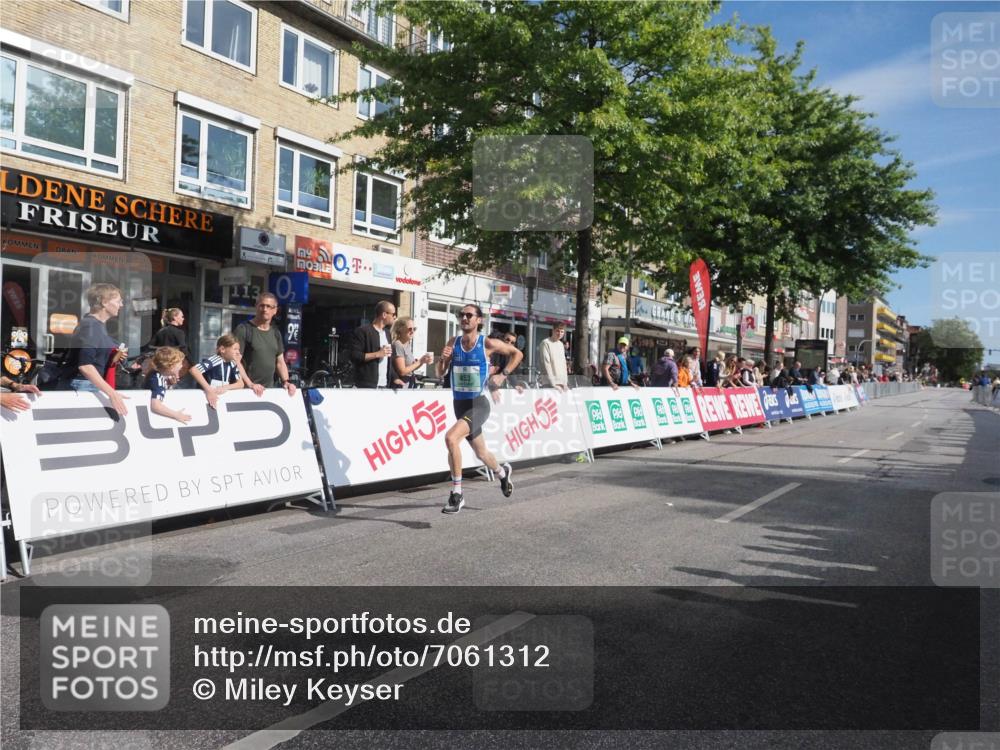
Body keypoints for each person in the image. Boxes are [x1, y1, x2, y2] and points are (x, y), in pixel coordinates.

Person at [435, 304, 521, 514]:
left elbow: (517, 354)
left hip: (478, 405)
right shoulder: (452, 342)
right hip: (460, 405)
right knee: (482, 453)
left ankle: (457, 494)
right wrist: (442, 360)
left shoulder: (487, 343)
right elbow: (439, 373)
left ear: (479, 320)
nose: (464, 318)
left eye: (469, 315)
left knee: (451, 438)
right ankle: (502, 473)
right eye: (461, 315)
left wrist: (503, 375)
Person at [58, 283, 129, 416]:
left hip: (86, 385)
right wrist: (112, 394)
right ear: (104, 302)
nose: (121, 305)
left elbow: (94, 360)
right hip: (82, 386)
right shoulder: (91, 326)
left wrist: (115, 356)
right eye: (119, 301)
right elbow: (85, 366)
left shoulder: (95, 325)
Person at [234, 293, 296, 397]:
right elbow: (235, 361)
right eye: (261, 305)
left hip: (268, 392)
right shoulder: (243, 329)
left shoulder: (276, 333)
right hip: (246, 391)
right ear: (256, 307)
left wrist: (286, 381)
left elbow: (280, 362)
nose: (264, 309)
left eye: (268, 306)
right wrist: (250, 384)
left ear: (275, 310)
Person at [189, 334, 246, 409]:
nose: (238, 352)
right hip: (204, 399)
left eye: (238, 349)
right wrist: (209, 390)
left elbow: (240, 384)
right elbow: (194, 370)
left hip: (219, 400)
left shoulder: (232, 363)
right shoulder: (216, 360)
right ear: (222, 349)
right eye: (235, 349)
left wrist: (225, 387)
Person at [349, 300, 396, 389]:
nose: (395, 317)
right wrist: (377, 354)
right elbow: (355, 356)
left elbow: (388, 361)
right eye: (393, 314)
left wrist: (395, 378)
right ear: (384, 315)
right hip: (366, 385)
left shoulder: (387, 333)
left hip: (384, 385)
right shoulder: (363, 331)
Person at [146, 347, 192, 424]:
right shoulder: (158, 379)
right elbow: (156, 406)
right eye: (180, 363)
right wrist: (176, 415)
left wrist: (168, 384)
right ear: (171, 366)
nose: (182, 365)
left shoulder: (156, 375)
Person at [390, 316, 432, 389]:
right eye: (409, 329)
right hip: (401, 385)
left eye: (414, 329)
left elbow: (410, 369)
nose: (412, 331)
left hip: (409, 383)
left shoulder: (407, 344)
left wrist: (422, 362)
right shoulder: (398, 344)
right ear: (400, 329)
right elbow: (402, 371)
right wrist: (419, 361)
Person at [539, 322, 569, 390]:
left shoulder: (561, 344)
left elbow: (563, 364)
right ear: (553, 330)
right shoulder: (546, 343)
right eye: (557, 331)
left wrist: (565, 382)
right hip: (549, 383)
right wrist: (553, 383)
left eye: (562, 332)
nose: (560, 333)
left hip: (561, 383)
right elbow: (546, 364)